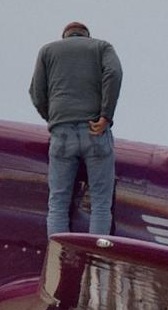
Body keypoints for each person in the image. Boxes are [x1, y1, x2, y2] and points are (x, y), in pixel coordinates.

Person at [30, 20, 122, 236]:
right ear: (86, 36)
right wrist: (105, 116)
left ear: (65, 36)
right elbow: (114, 74)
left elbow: (36, 93)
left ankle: (59, 257)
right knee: (100, 202)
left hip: (61, 132)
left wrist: (53, 117)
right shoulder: (102, 47)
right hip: (95, 130)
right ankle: (96, 257)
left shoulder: (47, 51)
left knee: (58, 203)